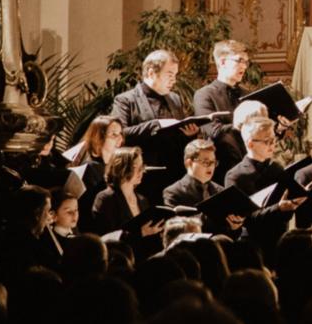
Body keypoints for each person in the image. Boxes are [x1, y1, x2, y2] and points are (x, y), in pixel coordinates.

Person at [109, 49, 202, 194]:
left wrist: (189, 134)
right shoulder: (126, 100)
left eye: (175, 75)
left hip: (175, 174)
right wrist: (156, 125)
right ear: (151, 73)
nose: (174, 80)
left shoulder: (175, 99)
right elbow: (120, 135)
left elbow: (178, 136)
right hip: (144, 175)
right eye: (170, 75)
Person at [88, 146, 164, 253]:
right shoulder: (105, 198)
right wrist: (140, 233)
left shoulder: (142, 200)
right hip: (119, 259)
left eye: (142, 166)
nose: (141, 171)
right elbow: (106, 238)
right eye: (135, 166)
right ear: (121, 168)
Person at [193, 40, 253, 169]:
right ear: (222, 62)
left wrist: (280, 126)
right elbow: (212, 131)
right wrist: (243, 125)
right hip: (222, 167)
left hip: (251, 166)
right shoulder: (204, 95)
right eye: (239, 61)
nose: (244, 66)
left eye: (246, 62)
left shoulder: (247, 94)